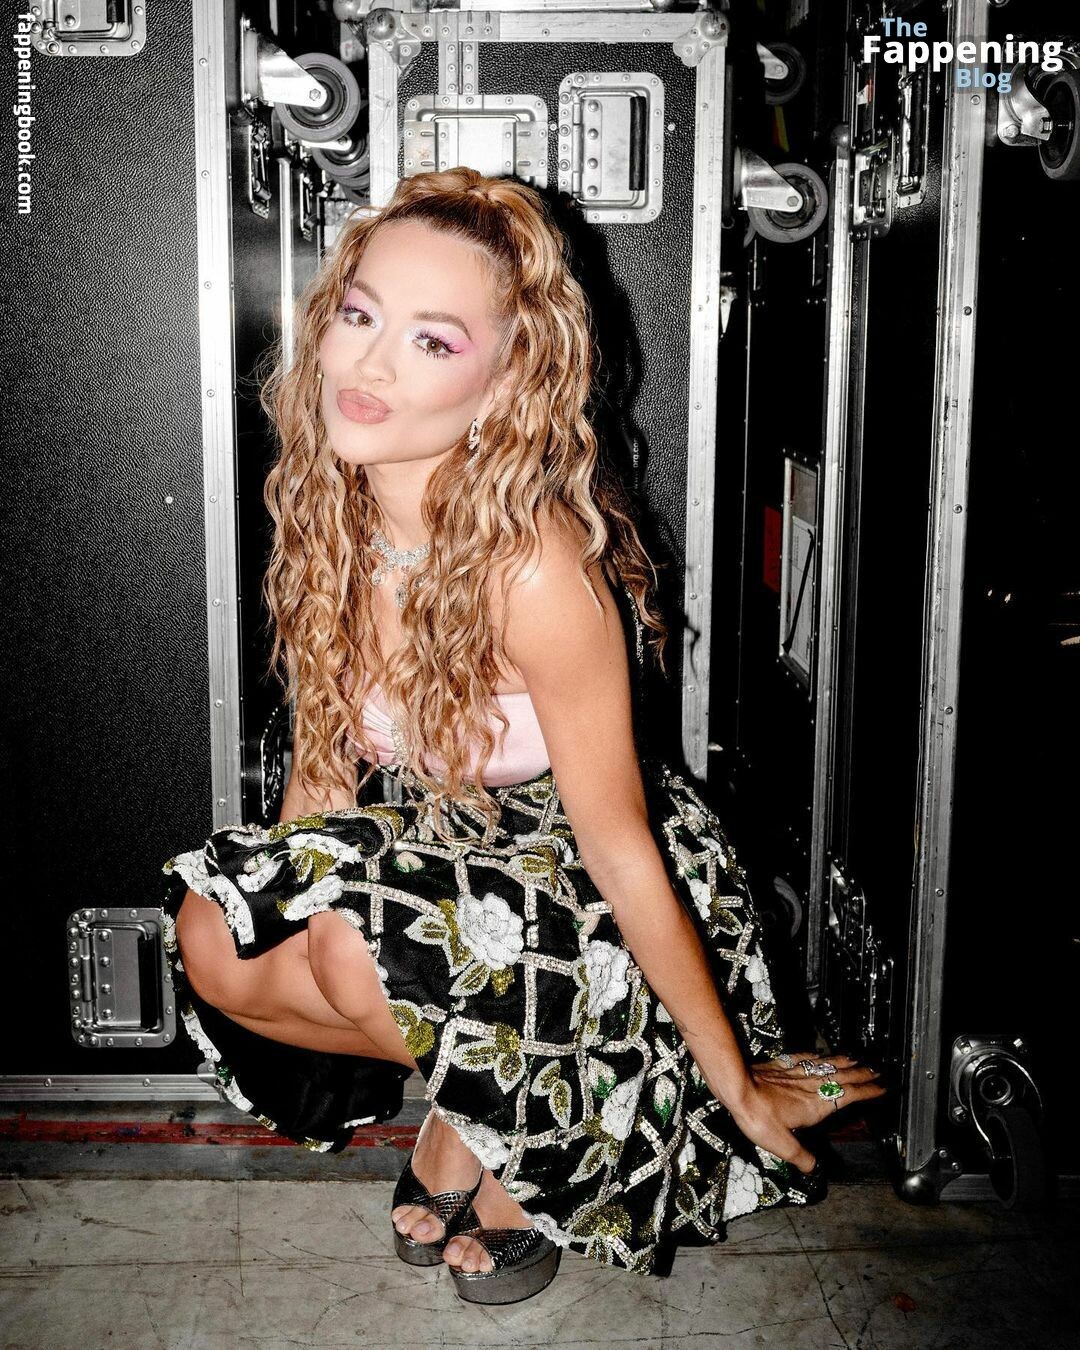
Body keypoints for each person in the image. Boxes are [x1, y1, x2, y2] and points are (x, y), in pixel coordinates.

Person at [161, 166, 887, 1305]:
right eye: (359, 314)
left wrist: (734, 1081)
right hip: (430, 833)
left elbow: (623, 850)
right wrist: (284, 889)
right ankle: (489, 1094)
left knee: (355, 954)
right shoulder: (326, 503)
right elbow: (321, 768)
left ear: (505, 380)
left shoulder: (537, 568)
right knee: (218, 937)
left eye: (432, 341)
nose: (369, 365)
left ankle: (538, 1126)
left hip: (576, 869)